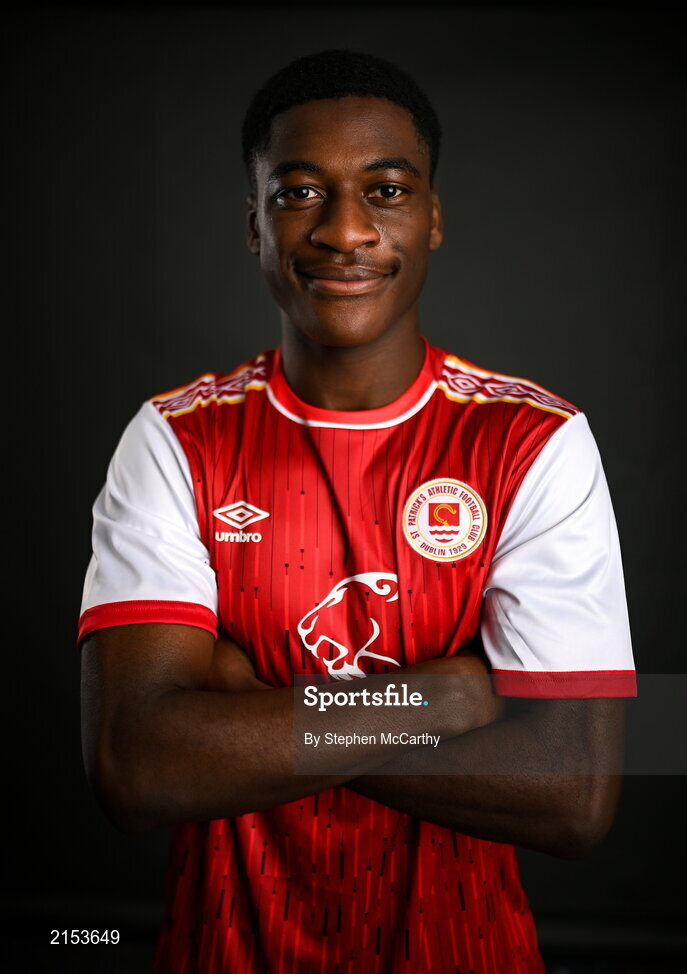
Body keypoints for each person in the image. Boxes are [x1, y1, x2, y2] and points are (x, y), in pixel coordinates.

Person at [78, 49, 636, 973]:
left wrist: (249, 710)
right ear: (252, 226)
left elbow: (575, 796)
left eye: (384, 189)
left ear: (431, 218)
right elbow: (136, 770)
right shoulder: (174, 438)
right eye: (298, 193)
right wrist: (436, 699)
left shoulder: (537, 441)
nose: (344, 230)